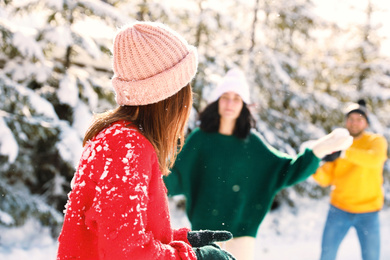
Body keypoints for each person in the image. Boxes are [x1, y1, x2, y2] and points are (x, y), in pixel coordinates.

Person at [56, 21, 236, 260]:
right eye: (185, 87)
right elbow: (127, 252)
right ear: (166, 96)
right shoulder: (126, 147)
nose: (189, 98)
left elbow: (117, 232)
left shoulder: (117, 138)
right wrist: (194, 258)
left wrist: (183, 240)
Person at [164, 68, 353, 260]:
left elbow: (286, 170)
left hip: (243, 232)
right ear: (217, 102)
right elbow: (175, 176)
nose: (230, 103)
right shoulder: (200, 139)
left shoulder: (251, 143)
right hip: (205, 231)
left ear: (244, 105)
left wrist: (318, 150)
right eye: (225, 97)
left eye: (237, 98)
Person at [312, 99, 388, 260]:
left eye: (359, 119)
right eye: (351, 119)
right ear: (346, 122)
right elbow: (326, 179)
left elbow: (374, 160)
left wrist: (344, 151)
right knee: (327, 255)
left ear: (366, 123)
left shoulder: (375, 141)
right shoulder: (336, 145)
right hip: (339, 210)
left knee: (371, 257)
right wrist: (314, 164)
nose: (354, 123)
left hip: (369, 213)